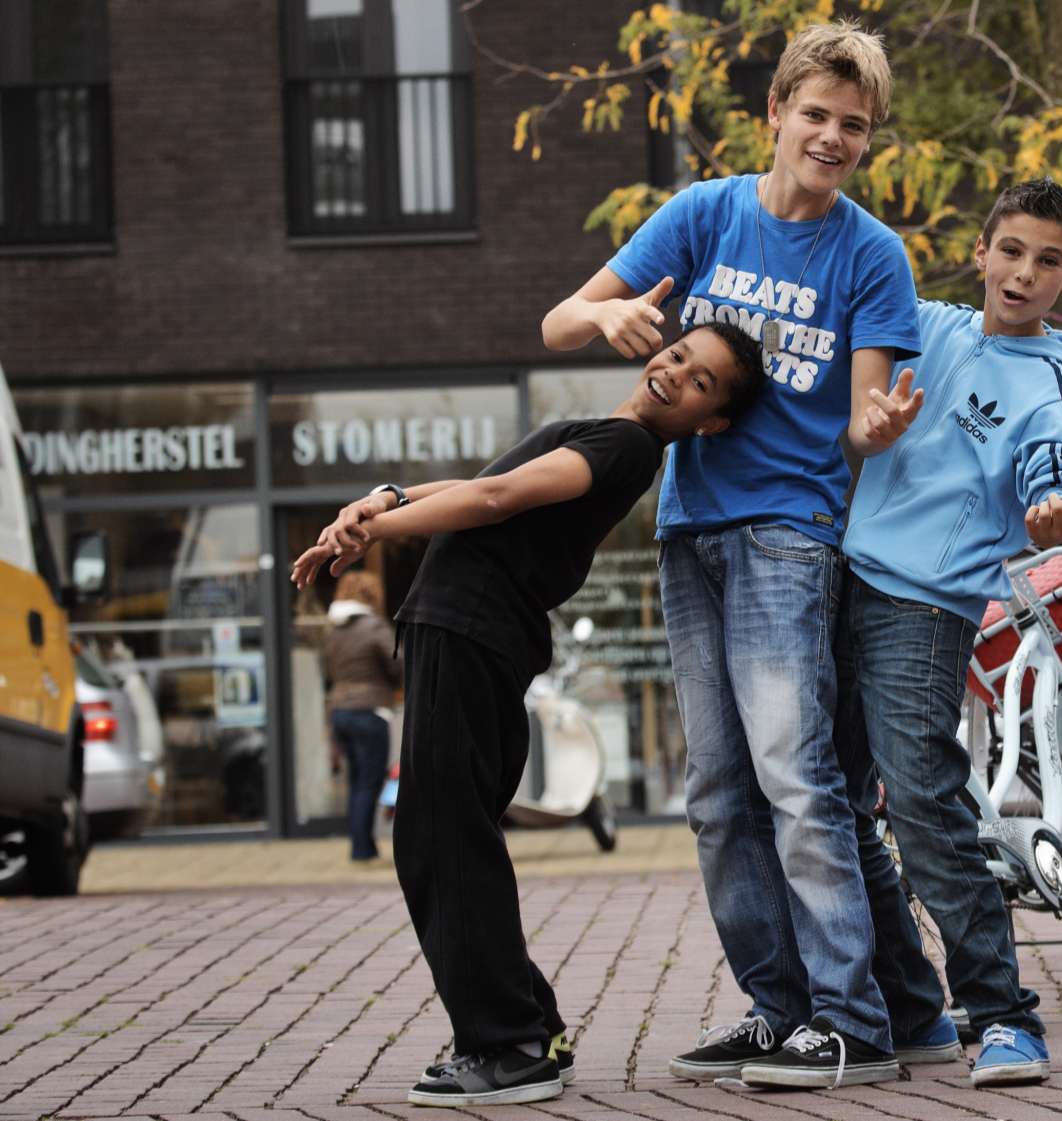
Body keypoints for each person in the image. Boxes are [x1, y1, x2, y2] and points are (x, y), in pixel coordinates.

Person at [542, 20, 930, 1090]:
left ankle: (850, 1017)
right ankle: (778, 1008)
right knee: (715, 789)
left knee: (795, 779)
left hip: (788, 538)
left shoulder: (871, 254)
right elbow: (558, 323)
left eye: (854, 126)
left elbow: (857, 424)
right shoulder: (703, 212)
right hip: (687, 530)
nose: (833, 137)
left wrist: (878, 431)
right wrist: (615, 308)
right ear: (776, 114)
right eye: (816, 114)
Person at [291, 323, 765, 1108]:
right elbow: (476, 486)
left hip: (474, 632)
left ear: (709, 423)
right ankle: (524, 1025)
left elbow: (493, 498)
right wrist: (384, 499)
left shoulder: (627, 449)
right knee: (447, 836)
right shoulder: (608, 431)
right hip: (463, 632)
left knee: (443, 840)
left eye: (702, 382)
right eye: (680, 354)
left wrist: (371, 527)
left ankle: (510, 1044)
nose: (676, 372)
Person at [834, 178, 1062, 1085]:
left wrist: (1053, 509)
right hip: (835, 576)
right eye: (1012, 250)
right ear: (980, 251)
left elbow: (1052, 474)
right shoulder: (930, 324)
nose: (1024, 272)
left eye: (1048, 260)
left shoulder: (1053, 379)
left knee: (921, 800)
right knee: (827, 800)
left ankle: (1004, 1014)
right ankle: (911, 1007)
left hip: (923, 605)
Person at [323, 569, 401, 862]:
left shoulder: (332, 631)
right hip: (369, 711)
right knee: (369, 781)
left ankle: (360, 844)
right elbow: (398, 663)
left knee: (356, 780)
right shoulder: (373, 626)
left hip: (340, 710)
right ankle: (362, 850)